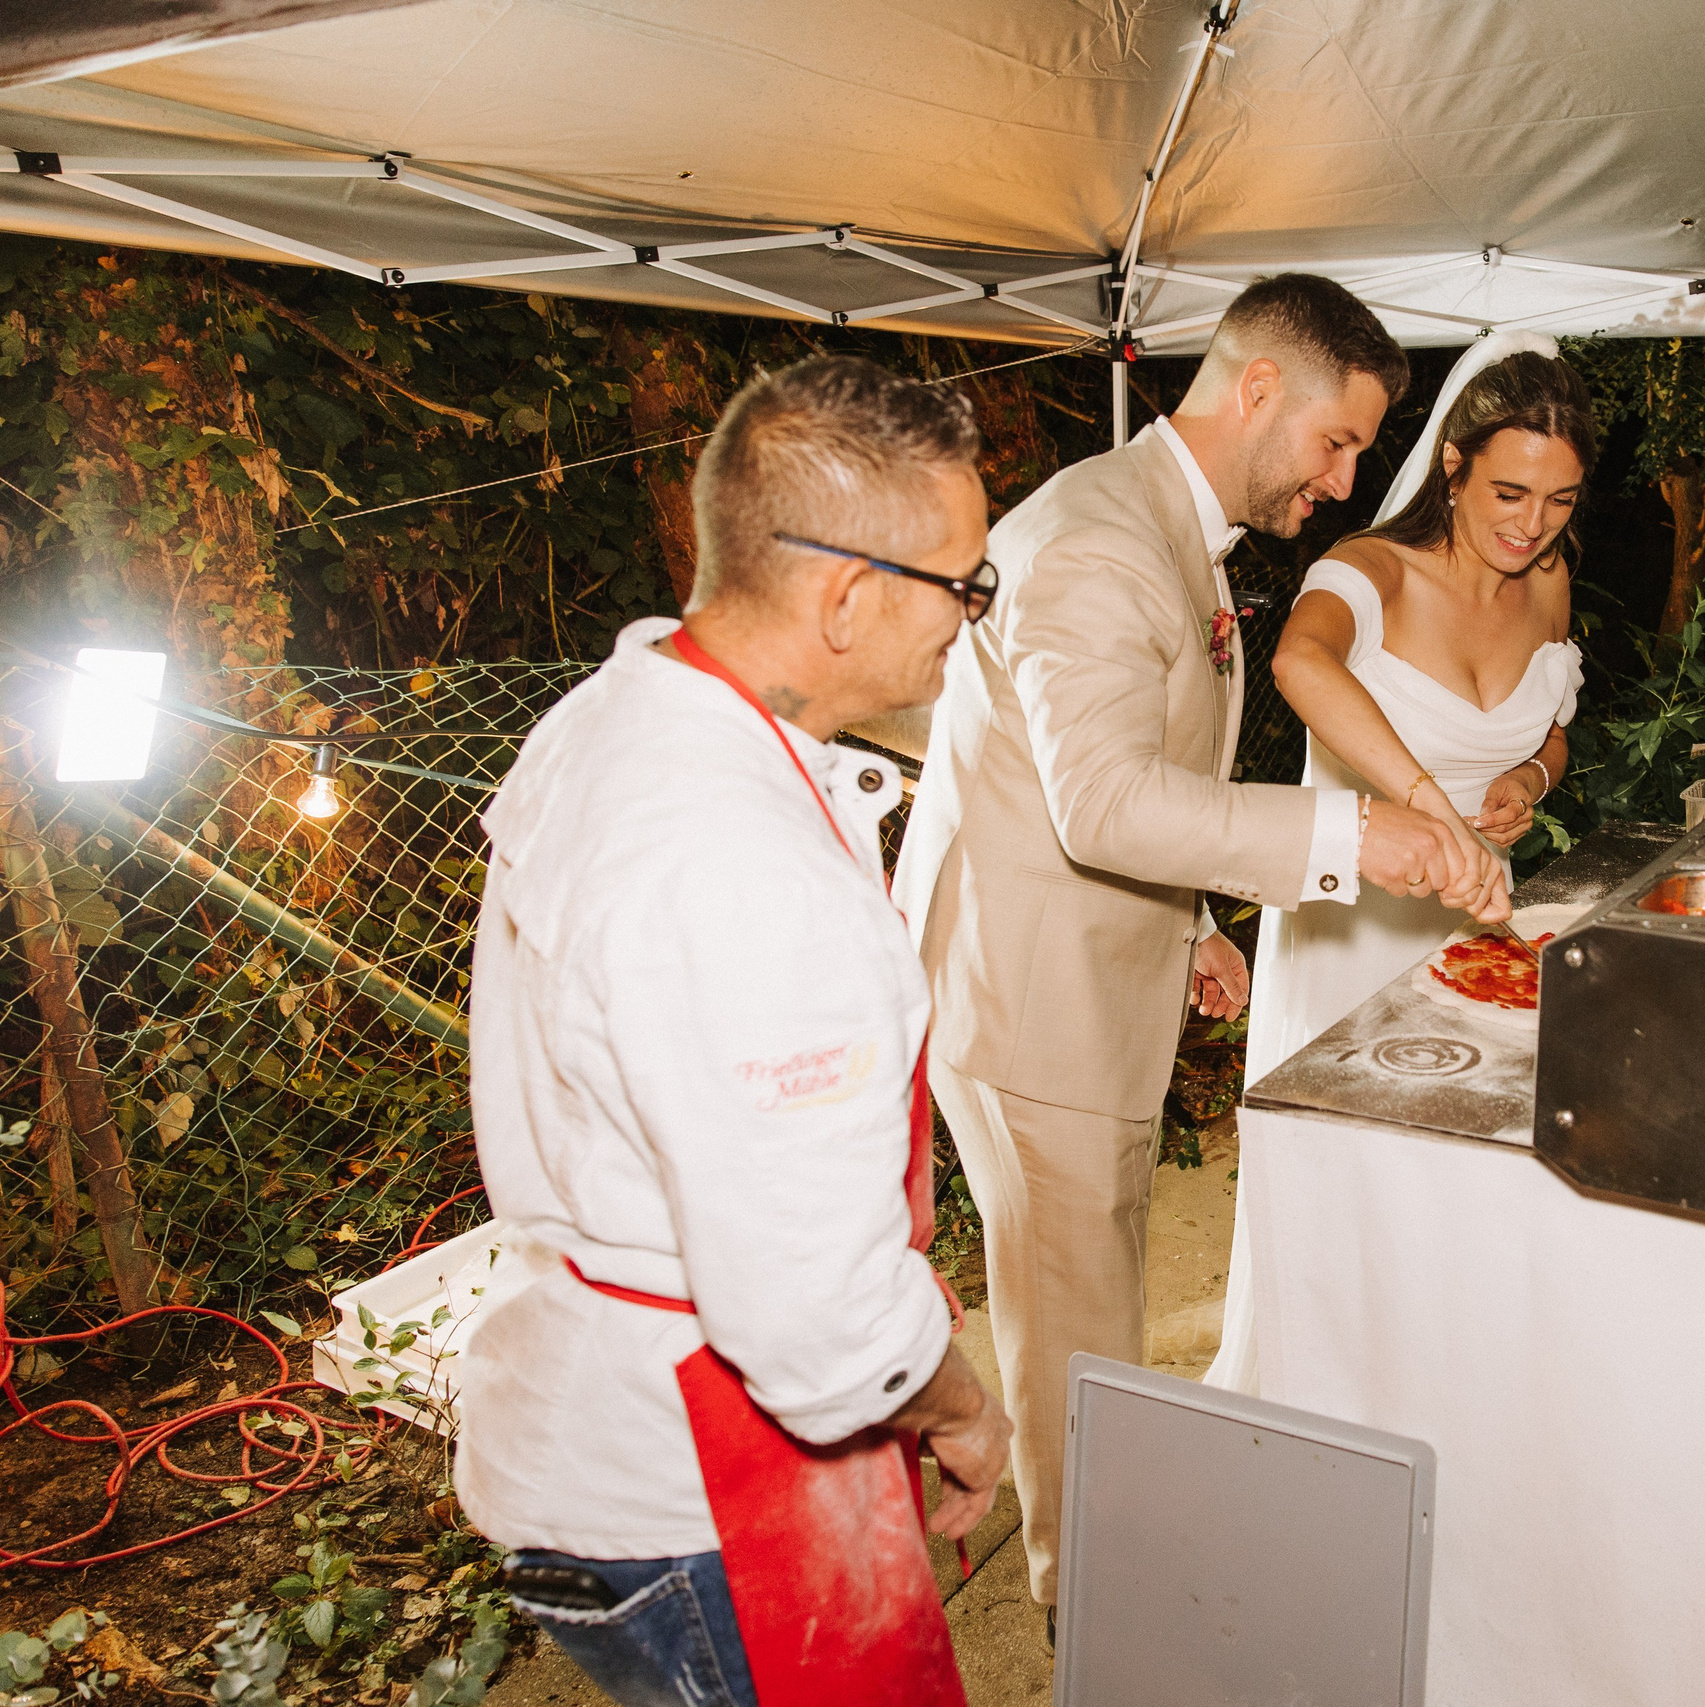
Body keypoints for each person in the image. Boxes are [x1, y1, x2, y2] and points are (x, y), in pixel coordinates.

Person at [892, 273, 1503, 1630]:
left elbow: (1132, 764)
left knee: (1097, 1316)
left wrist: (1191, 924)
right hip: (1029, 995)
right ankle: (1095, 1620)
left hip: (1090, 959)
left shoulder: (1169, 524)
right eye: (1336, 442)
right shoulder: (1102, 540)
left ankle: (1119, 1592)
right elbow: (1100, 800)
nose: (1343, 482)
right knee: (1077, 1348)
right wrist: (1367, 835)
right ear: (1258, 390)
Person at [455, 355, 1012, 1706]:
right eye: (964, 583)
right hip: (700, 1487)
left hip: (612, 1417)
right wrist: (958, 1403)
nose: (973, 622)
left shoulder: (630, 711)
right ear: (844, 593)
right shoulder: (737, 863)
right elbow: (817, 1316)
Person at [1204, 336, 1590, 1393]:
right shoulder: (1366, 568)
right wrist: (1426, 806)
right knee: (1348, 1193)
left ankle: (1450, 1393)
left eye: (1559, 501)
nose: (1530, 523)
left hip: (1476, 937)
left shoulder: (1548, 577)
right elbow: (1298, 660)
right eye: (1510, 491)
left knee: (1462, 1191)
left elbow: (1556, 727)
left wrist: (1528, 778)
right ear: (1453, 467)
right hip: (1350, 924)